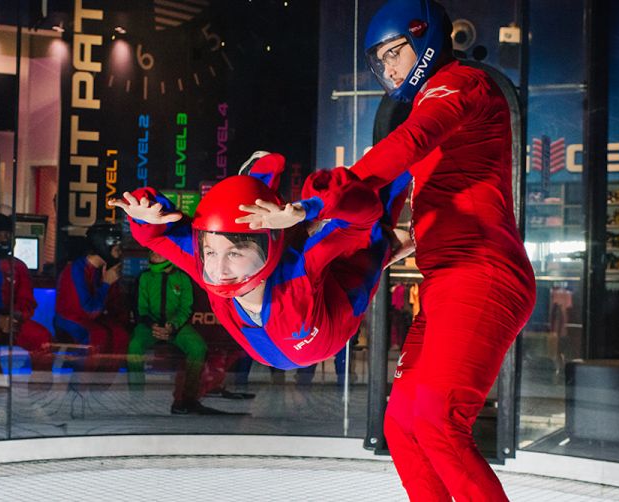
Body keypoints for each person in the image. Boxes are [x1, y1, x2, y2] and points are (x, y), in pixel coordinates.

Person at [342, 1, 538, 499]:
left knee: (437, 419)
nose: (387, 69)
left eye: (393, 53)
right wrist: (405, 238)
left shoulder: (461, 83)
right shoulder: (433, 101)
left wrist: (329, 193)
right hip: (446, 280)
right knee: (403, 423)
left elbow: (413, 139)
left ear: (423, 37)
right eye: (379, 61)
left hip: (482, 271)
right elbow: (447, 186)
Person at [109, 151, 413, 372]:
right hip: (298, 334)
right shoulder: (213, 268)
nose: (219, 269)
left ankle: (265, 193)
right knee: (370, 240)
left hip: (324, 322)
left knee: (365, 233)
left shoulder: (294, 270)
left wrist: (311, 208)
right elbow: (158, 236)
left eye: (233, 254)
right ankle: (258, 188)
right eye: (212, 253)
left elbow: (363, 217)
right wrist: (148, 213)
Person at [128, 250, 231, 415]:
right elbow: (141, 308)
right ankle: (135, 396)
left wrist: (173, 325)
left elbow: (186, 308)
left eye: (159, 252)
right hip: (149, 326)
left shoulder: (182, 278)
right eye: (152, 252)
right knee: (135, 346)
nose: (155, 254)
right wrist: (152, 324)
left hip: (176, 326)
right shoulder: (145, 277)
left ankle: (189, 398)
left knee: (198, 348)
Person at [0, 211, 53, 375]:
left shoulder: (19, 266)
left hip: (14, 322)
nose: (5, 239)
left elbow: (27, 301)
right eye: (0, 235)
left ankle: (40, 384)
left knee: (43, 338)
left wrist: (14, 317)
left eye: (8, 235)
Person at [54, 223, 130, 373]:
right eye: (115, 245)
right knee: (98, 335)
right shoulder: (76, 270)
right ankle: (84, 382)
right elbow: (89, 311)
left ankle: (103, 383)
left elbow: (113, 305)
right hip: (70, 319)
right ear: (102, 245)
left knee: (120, 335)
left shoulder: (104, 268)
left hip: (94, 318)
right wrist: (106, 284)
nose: (119, 250)